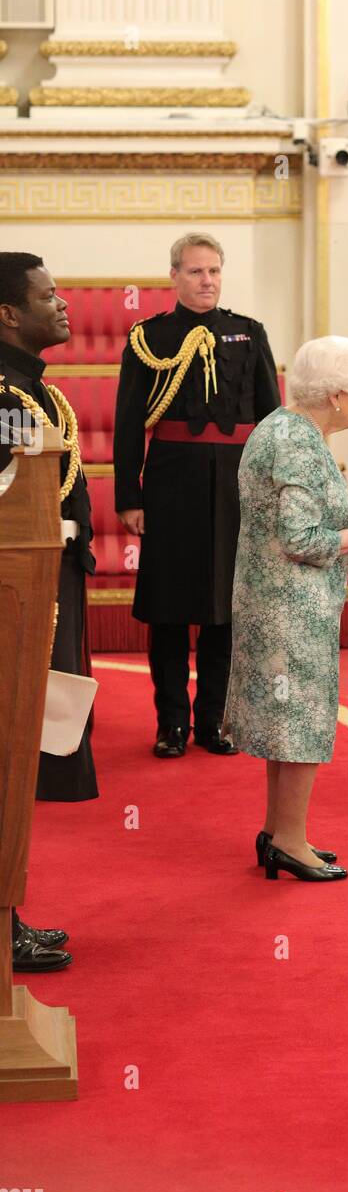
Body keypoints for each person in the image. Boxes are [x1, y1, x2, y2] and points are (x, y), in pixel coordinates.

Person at [113, 232, 282, 759]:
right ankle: (171, 724)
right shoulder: (149, 338)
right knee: (168, 607)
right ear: (175, 277)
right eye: (195, 272)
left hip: (236, 483)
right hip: (171, 480)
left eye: (213, 271)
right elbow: (126, 425)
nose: (206, 281)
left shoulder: (247, 333)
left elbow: (272, 421)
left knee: (224, 607)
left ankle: (214, 720)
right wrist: (128, 497)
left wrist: (272, 493)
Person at [222, 336, 348, 883]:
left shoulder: (281, 426)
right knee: (302, 721)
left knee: (285, 722)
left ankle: (278, 832)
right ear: (335, 396)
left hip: (274, 601)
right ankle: (288, 840)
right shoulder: (300, 445)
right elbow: (301, 537)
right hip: (291, 608)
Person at [0, 251, 96, 972]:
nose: (62, 305)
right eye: (47, 295)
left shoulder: (30, 391)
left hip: (41, 581)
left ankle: (6, 923)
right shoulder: (3, 399)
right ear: (8, 314)